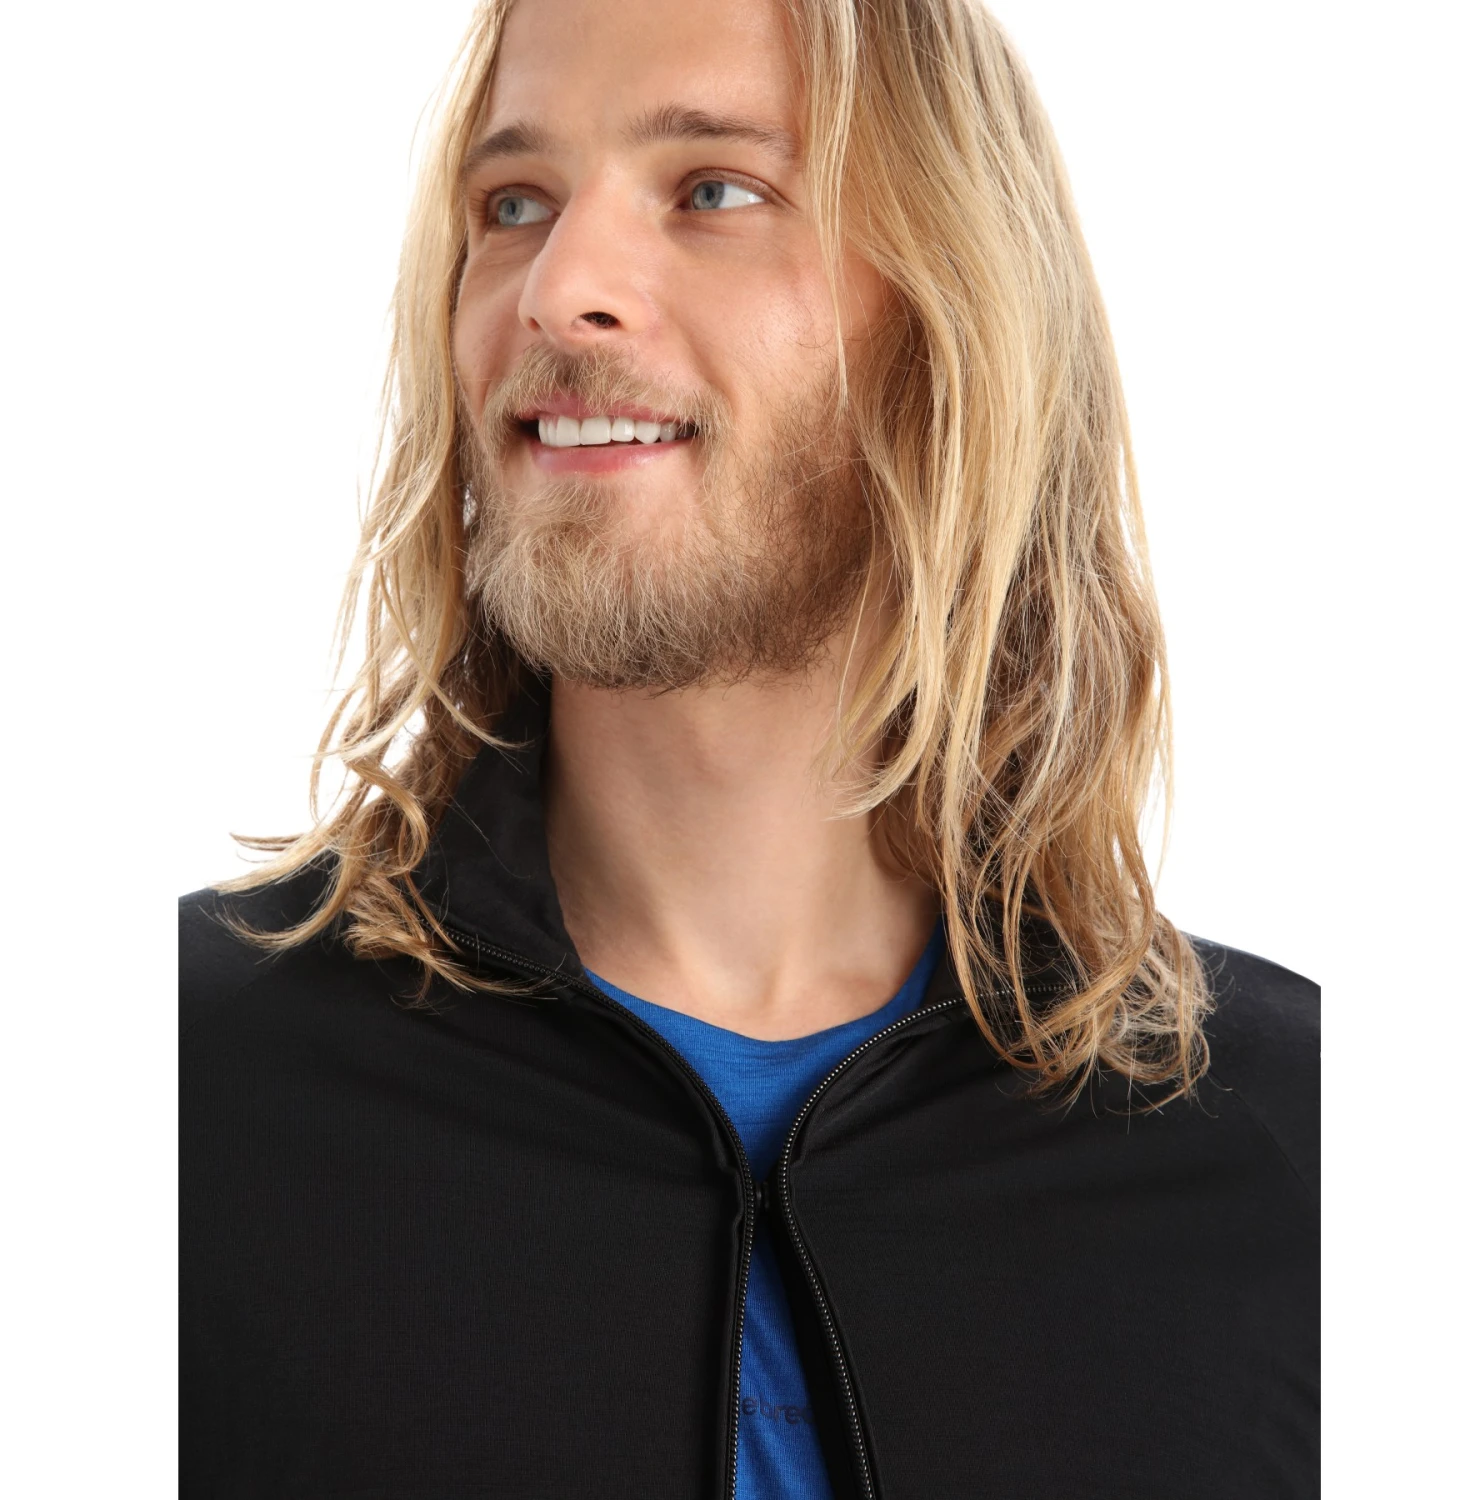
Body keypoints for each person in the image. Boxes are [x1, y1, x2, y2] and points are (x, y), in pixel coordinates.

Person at [178, 0, 1319, 1494]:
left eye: (714, 189)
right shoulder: (165, 1091)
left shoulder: (1301, 1150)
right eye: (512, 204)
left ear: (955, 317)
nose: (559, 289)